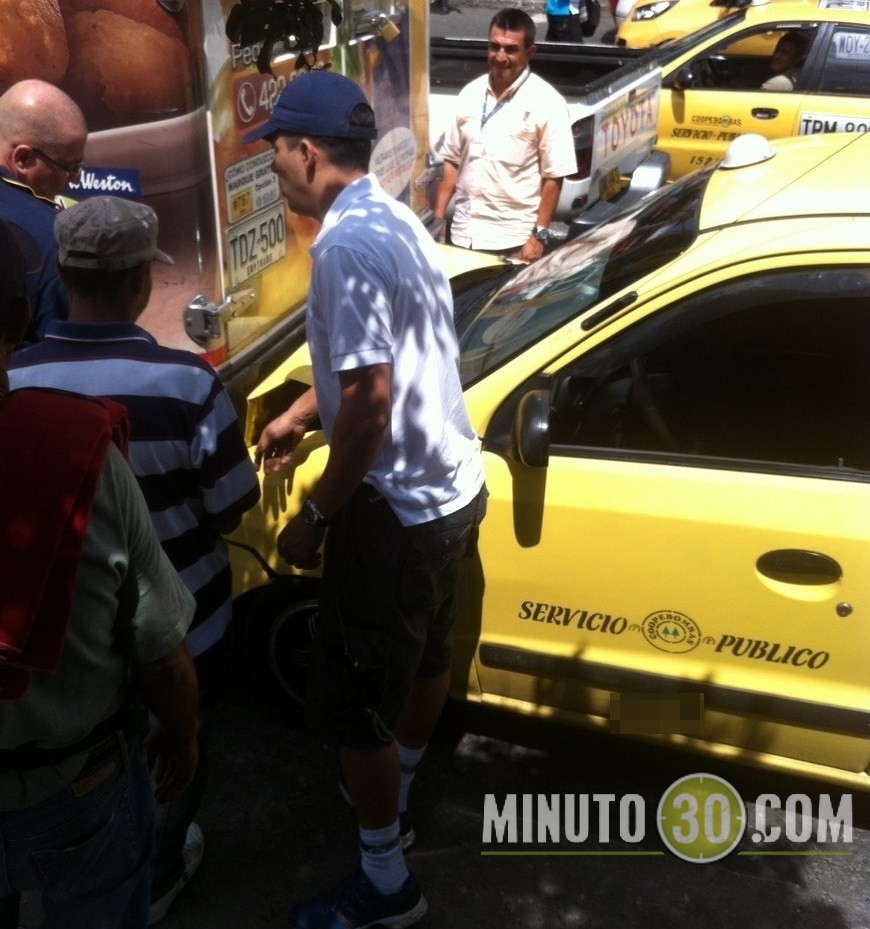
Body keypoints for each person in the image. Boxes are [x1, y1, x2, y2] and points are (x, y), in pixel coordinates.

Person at [244, 70, 487, 929]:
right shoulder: (392, 215)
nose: (270, 166)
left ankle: (386, 880)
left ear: (307, 153)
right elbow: (385, 359)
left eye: (274, 150)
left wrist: (315, 517)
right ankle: (404, 797)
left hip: (395, 513)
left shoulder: (344, 246)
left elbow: (374, 407)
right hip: (454, 492)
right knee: (424, 662)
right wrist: (304, 411)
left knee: (354, 705)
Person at [8, 195, 261, 925]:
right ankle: (158, 868)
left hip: (60, 640)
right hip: (186, 629)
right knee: (175, 749)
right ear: (140, 285)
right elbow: (232, 505)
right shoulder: (189, 384)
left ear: (61, 270)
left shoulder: (17, 382)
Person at [432, 8, 576, 261]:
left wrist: (538, 237)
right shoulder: (469, 94)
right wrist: (437, 217)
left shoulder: (547, 102)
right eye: (494, 47)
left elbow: (553, 177)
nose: (500, 57)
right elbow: (453, 160)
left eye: (510, 49)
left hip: (513, 242)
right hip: (462, 235)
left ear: (529, 53)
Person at [0, 79, 88, 343]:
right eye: (68, 167)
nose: (71, 181)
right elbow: (61, 358)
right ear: (23, 159)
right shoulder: (51, 238)